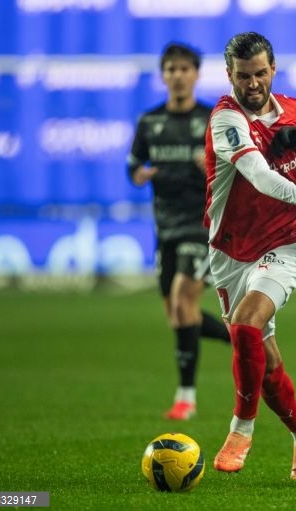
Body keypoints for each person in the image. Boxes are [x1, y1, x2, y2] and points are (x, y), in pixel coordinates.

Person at [203, 32, 296, 480]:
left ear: (273, 69)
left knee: (246, 323)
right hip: (230, 252)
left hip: (284, 243)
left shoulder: (293, 110)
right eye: (243, 76)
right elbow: (260, 175)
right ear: (229, 75)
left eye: (260, 73)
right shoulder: (226, 120)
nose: (252, 83)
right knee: (265, 367)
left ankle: (241, 429)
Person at [127, 42, 231, 421]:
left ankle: (186, 397)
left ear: (196, 74)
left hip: (201, 225)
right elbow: (134, 166)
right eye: (171, 69)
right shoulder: (149, 122)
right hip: (165, 227)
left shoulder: (212, 120)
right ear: (164, 75)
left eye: (185, 68)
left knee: (182, 300)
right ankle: (239, 336)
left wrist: (209, 169)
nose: (178, 75)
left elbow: (232, 171)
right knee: (176, 313)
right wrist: (141, 175)